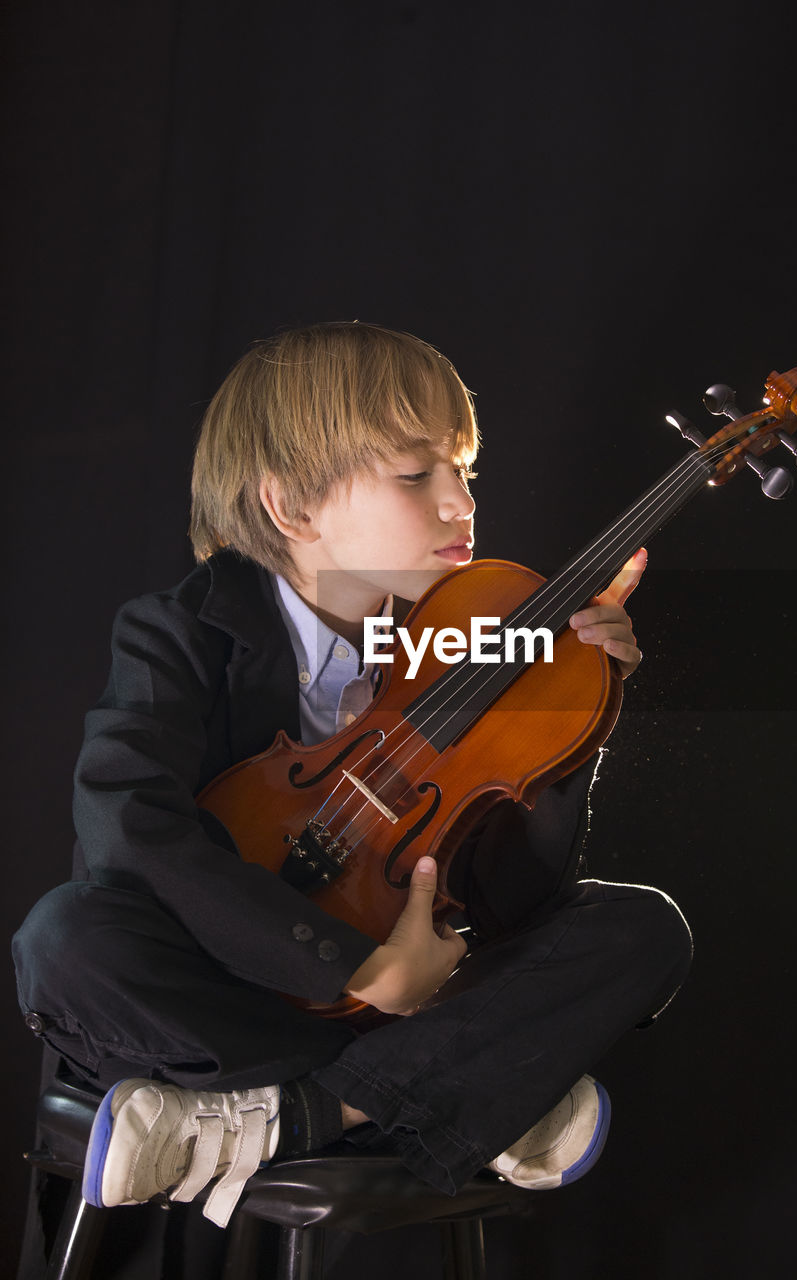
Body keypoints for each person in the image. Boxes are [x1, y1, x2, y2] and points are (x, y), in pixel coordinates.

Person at [13, 322, 692, 1234]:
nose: (460, 504)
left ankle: (295, 1116)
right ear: (292, 506)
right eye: (417, 476)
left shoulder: (465, 643)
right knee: (67, 935)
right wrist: (361, 968)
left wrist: (569, 715)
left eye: (466, 472)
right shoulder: (173, 633)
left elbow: (522, 899)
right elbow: (128, 831)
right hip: (236, 984)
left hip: (405, 990)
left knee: (640, 927)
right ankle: (456, 1090)